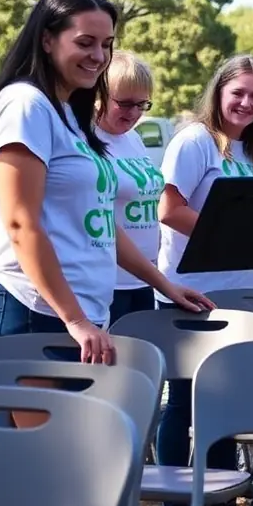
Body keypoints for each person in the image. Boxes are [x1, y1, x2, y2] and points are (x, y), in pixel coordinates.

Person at [0, 0, 210, 506]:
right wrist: (74, 317)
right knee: (47, 487)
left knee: (54, 484)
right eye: (84, 41)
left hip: (73, 318)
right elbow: (22, 221)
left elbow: (100, 226)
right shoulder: (25, 104)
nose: (96, 54)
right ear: (48, 38)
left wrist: (162, 281)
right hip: (31, 313)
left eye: (105, 43)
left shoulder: (68, 115)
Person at [156, 53, 253, 506]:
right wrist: (228, 234)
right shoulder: (195, 141)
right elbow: (170, 209)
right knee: (181, 407)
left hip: (237, 297)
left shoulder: (252, 151)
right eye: (238, 93)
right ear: (219, 93)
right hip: (188, 294)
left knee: (225, 406)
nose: (246, 103)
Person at [96, 51, 165, 324]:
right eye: (124, 104)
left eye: (142, 104)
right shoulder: (85, 139)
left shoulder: (133, 138)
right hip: (110, 282)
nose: (134, 113)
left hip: (146, 278)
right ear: (99, 95)